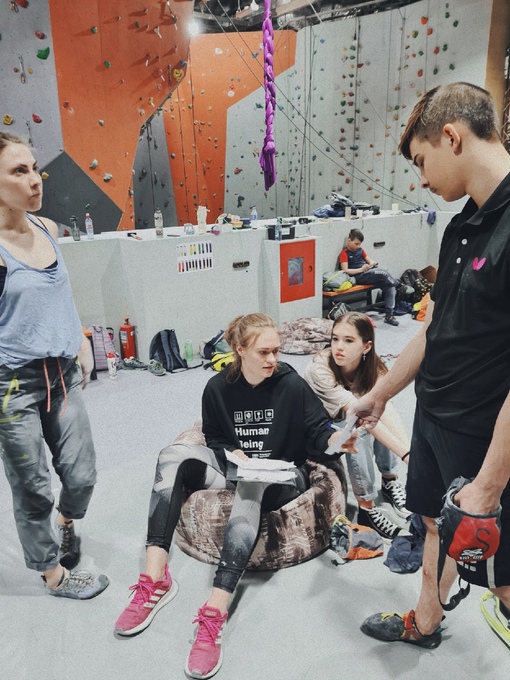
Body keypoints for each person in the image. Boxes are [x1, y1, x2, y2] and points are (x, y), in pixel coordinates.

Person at [114, 313, 356, 678]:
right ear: (239, 350)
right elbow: (214, 437)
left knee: (251, 484)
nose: (273, 359)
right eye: (263, 352)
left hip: (283, 478)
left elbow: (318, 430)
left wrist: (338, 440)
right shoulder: (217, 388)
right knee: (171, 455)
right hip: (238, 469)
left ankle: (216, 609)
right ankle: (155, 578)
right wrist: (232, 453)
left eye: (276, 351)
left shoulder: (291, 384)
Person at [354, 82, 510, 649]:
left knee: (503, 577)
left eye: (421, 161)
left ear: (452, 136)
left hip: (485, 436)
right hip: (435, 416)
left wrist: (489, 484)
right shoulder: (461, 224)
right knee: (430, 524)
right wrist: (382, 393)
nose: (420, 179)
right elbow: (433, 327)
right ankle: (424, 622)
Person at [0, 132, 109, 599]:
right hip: (12, 386)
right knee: (32, 485)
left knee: (81, 475)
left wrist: (79, 338)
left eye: (33, 168)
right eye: (18, 171)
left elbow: (58, 293)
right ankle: (53, 574)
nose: (35, 179)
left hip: (61, 376)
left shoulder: (46, 228)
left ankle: (66, 522)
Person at [305, 311, 411, 540]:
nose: (338, 347)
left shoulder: (374, 368)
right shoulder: (319, 368)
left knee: (377, 416)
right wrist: (407, 456)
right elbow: (360, 415)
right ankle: (366, 508)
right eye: (335, 339)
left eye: (348, 340)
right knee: (358, 429)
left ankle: (390, 480)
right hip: (320, 431)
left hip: (352, 418)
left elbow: (383, 409)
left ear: (366, 347)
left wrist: (411, 455)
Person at [339, 227, 414, 326]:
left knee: (389, 285)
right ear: (349, 240)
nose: (358, 246)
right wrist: (361, 269)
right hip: (358, 276)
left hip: (367, 273)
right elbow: (345, 270)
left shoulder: (360, 250)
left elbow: (370, 260)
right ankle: (399, 285)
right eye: (356, 244)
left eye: (360, 244)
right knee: (383, 272)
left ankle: (389, 315)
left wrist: (373, 264)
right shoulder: (344, 253)